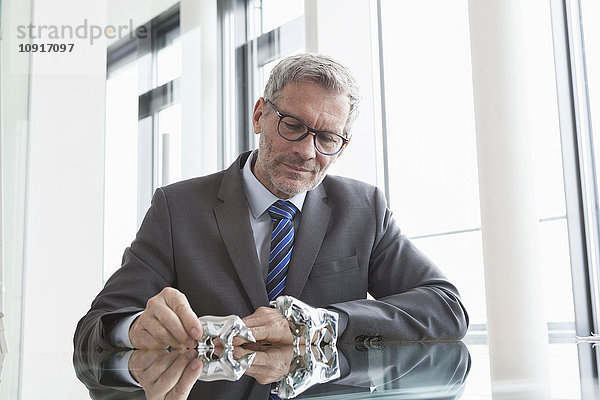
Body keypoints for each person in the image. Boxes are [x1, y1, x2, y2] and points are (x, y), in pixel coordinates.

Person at [74, 53, 468, 355]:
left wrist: (322, 323)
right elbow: (95, 327)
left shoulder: (364, 209)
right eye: (293, 126)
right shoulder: (177, 209)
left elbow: (446, 307)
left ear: (342, 146)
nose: (306, 152)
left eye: (327, 139)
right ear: (260, 115)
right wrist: (133, 328)